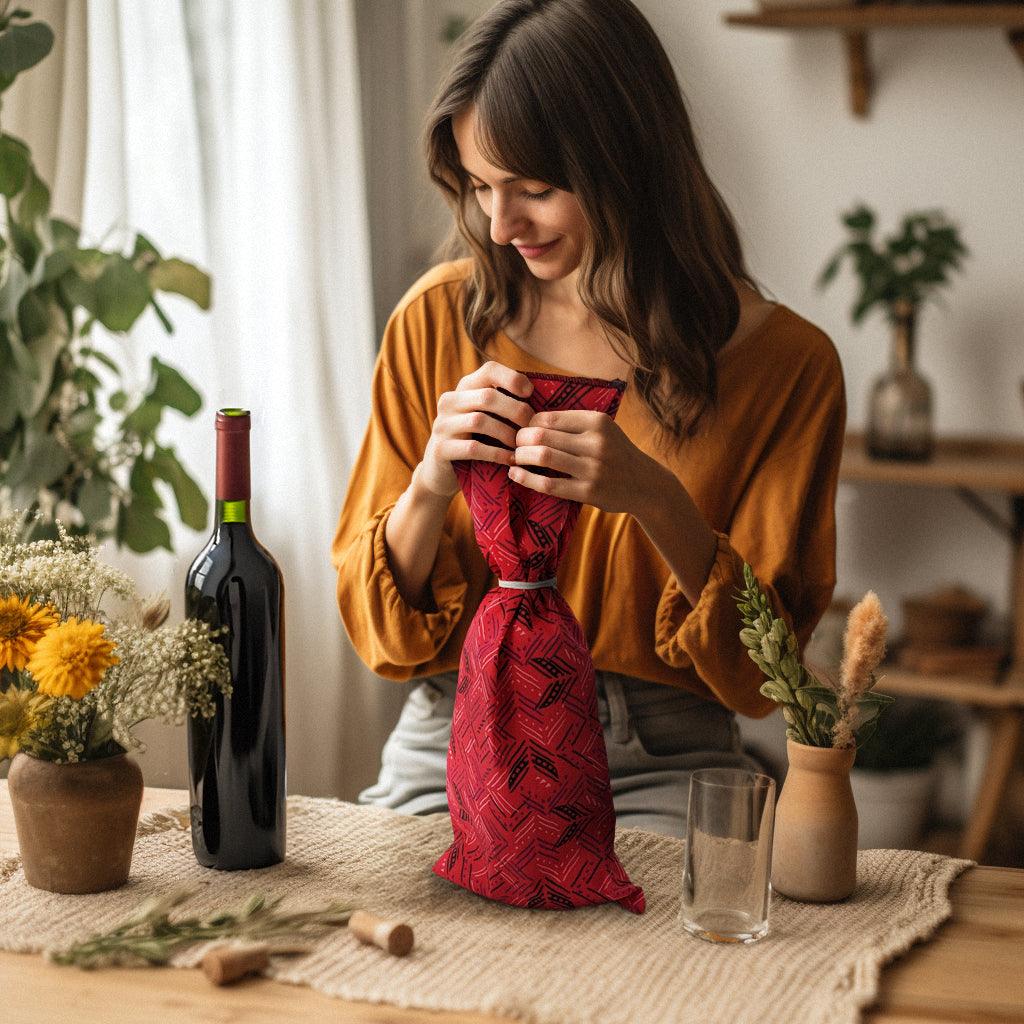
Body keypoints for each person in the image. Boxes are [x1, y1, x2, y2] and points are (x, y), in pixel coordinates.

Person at [331, 0, 845, 837]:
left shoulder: (786, 367)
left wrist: (656, 498)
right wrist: (429, 484)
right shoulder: (434, 321)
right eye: (481, 186)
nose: (502, 226)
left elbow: (766, 678)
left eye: (535, 189)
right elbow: (380, 635)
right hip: (450, 733)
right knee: (384, 949)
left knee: (667, 961)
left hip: (664, 760)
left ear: (628, 166)